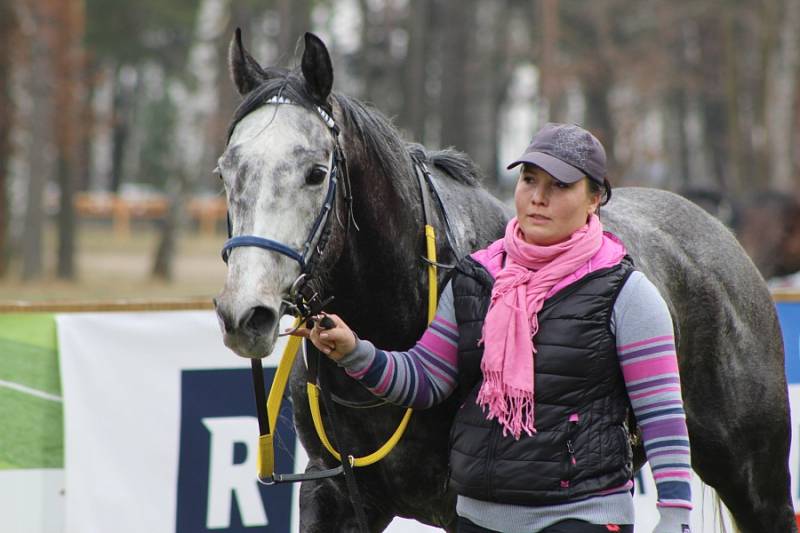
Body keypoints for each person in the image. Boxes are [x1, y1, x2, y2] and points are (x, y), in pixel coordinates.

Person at [294, 123, 692, 533]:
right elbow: (424, 380)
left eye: (559, 186)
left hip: (582, 518)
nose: (538, 198)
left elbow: (661, 416)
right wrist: (355, 352)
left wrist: (676, 516)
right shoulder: (475, 278)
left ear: (594, 200)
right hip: (478, 519)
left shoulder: (628, 294)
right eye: (529, 180)